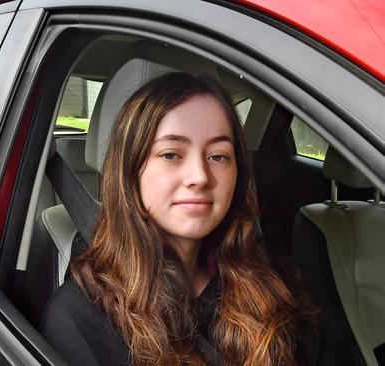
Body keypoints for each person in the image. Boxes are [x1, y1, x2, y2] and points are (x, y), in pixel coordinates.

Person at [39, 72, 317, 365]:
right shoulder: (79, 319)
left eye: (219, 156)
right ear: (130, 172)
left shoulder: (264, 282)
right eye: (171, 154)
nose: (199, 176)